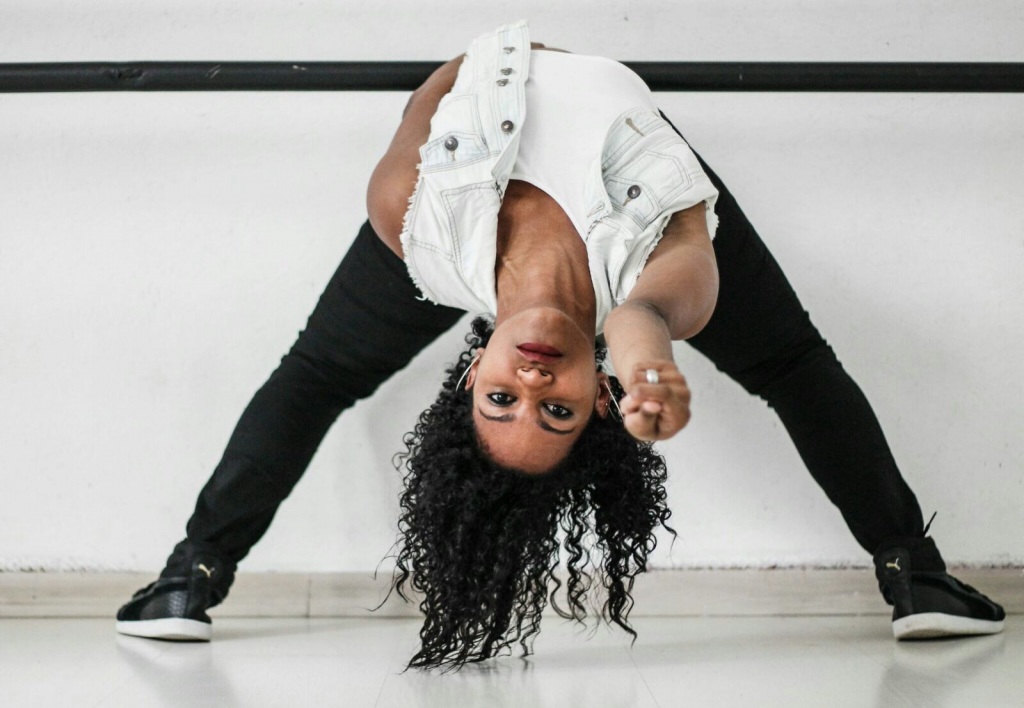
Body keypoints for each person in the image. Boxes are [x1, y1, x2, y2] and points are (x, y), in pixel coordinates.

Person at [115, 22, 1004, 670]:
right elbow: (655, 303)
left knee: (317, 371)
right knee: (793, 364)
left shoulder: (412, 222)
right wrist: (647, 351)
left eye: (503, 400)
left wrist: (493, 63)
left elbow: (431, 96)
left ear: (471, 372)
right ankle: (915, 575)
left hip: (459, 220)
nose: (532, 383)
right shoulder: (661, 264)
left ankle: (190, 574)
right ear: (601, 397)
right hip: (649, 200)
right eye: (558, 411)